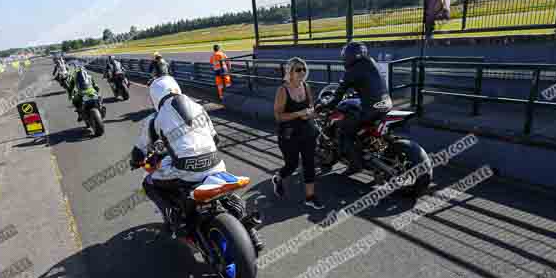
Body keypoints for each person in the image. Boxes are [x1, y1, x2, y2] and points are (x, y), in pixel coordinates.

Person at [129, 76, 263, 248]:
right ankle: (250, 231)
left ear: (155, 96)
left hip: (186, 171)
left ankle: (176, 222)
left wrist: (136, 161)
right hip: (216, 164)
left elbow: (139, 151)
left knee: (149, 183)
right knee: (227, 193)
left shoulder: (155, 119)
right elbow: (216, 139)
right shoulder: (199, 107)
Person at [328, 41, 392, 175]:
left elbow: (338, 94)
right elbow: (369, 85)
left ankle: (355, 164)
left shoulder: (352, 71)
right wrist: (356, 93)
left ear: (349, 56)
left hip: (371, 110)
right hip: (385, 104)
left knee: (346, 132)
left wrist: (326, 105)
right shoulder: (371, 62)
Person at [271, 57, 323, 210]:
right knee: (292, 165)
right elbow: (278, 116)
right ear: (290, 72)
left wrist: (312, 114)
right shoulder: (283, 90)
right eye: (298, 69)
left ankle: (310, 197)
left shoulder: (306, 86)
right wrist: (298, 113)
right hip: (288, 134)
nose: (302, 72)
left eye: (304, 69)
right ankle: (278, 178)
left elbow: (310, 107)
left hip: (307, 131)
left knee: (309, 163)